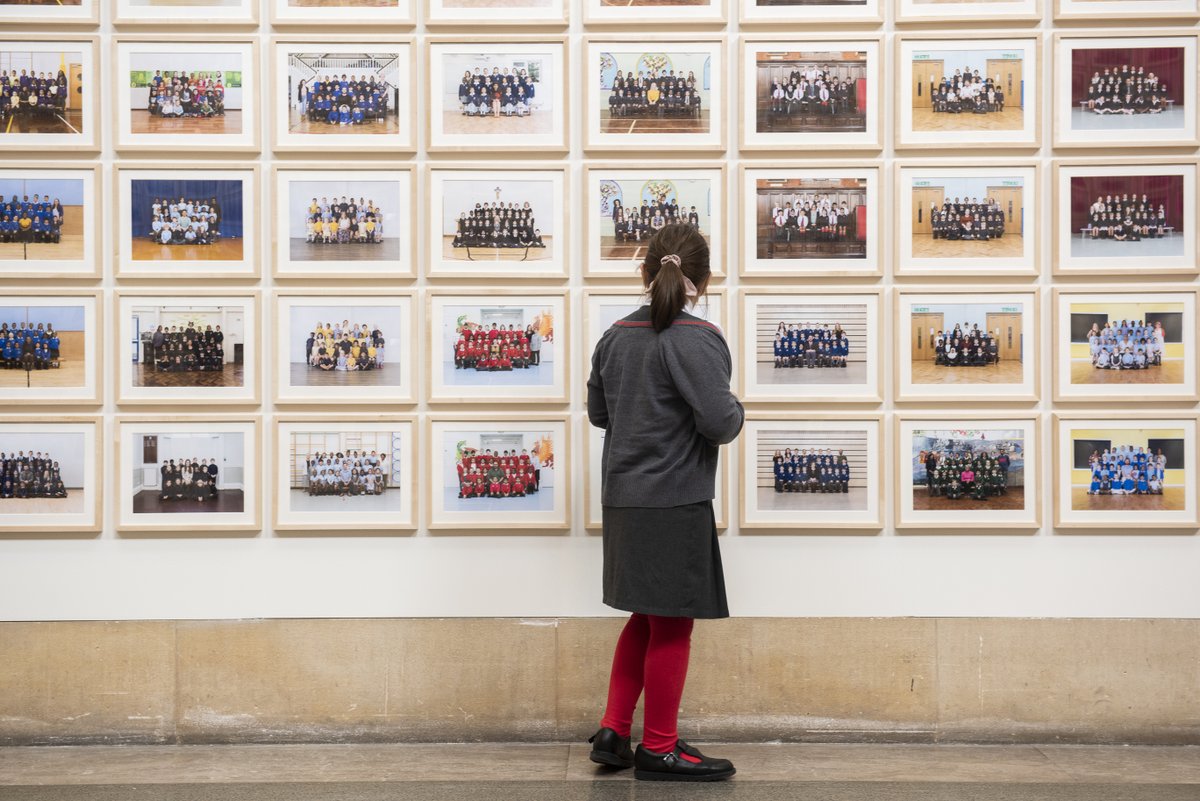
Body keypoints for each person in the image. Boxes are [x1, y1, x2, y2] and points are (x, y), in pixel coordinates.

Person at [585, 223, 743, 782]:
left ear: (646, 271)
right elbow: (721, 424)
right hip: (674, 501)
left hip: (625, 500)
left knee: (645, 619)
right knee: (672, 625)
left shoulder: (613, 336)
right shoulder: (697, 338)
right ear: (703, 277)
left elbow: (600, 415)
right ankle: (658, 747)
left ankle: (612, 730)